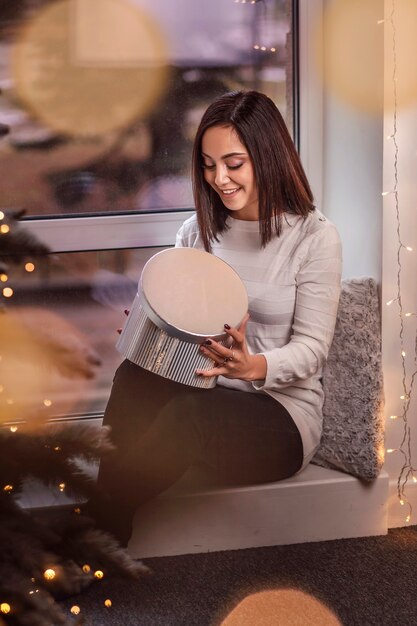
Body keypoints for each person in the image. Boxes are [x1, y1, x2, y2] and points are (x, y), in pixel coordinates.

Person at [90, 90, 342, 547]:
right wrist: (154, 326)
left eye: (233, 163)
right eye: (208, 165)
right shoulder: (196, 230)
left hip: (280, 420)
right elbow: (186, 330)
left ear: (267, 156)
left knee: (191, 413)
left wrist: (253, 367)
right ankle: (104, 534)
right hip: (204, 391)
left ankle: (96, 523)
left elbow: (312, 349)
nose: (219, 178)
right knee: (133, 374)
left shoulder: (314, 237)